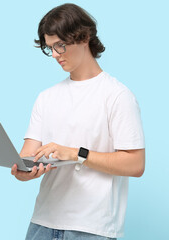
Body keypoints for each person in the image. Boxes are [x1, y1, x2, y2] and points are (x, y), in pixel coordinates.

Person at [11, 3, 145, 240]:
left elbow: (135, 164)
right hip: (42, 223)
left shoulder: (117, 95)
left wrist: (76, 153)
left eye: (60, 46)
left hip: (92, 228)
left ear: (84, 37)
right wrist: (23, 170)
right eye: (49, 48)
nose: (54, 55)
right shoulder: (46, 97)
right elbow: (28, 153)